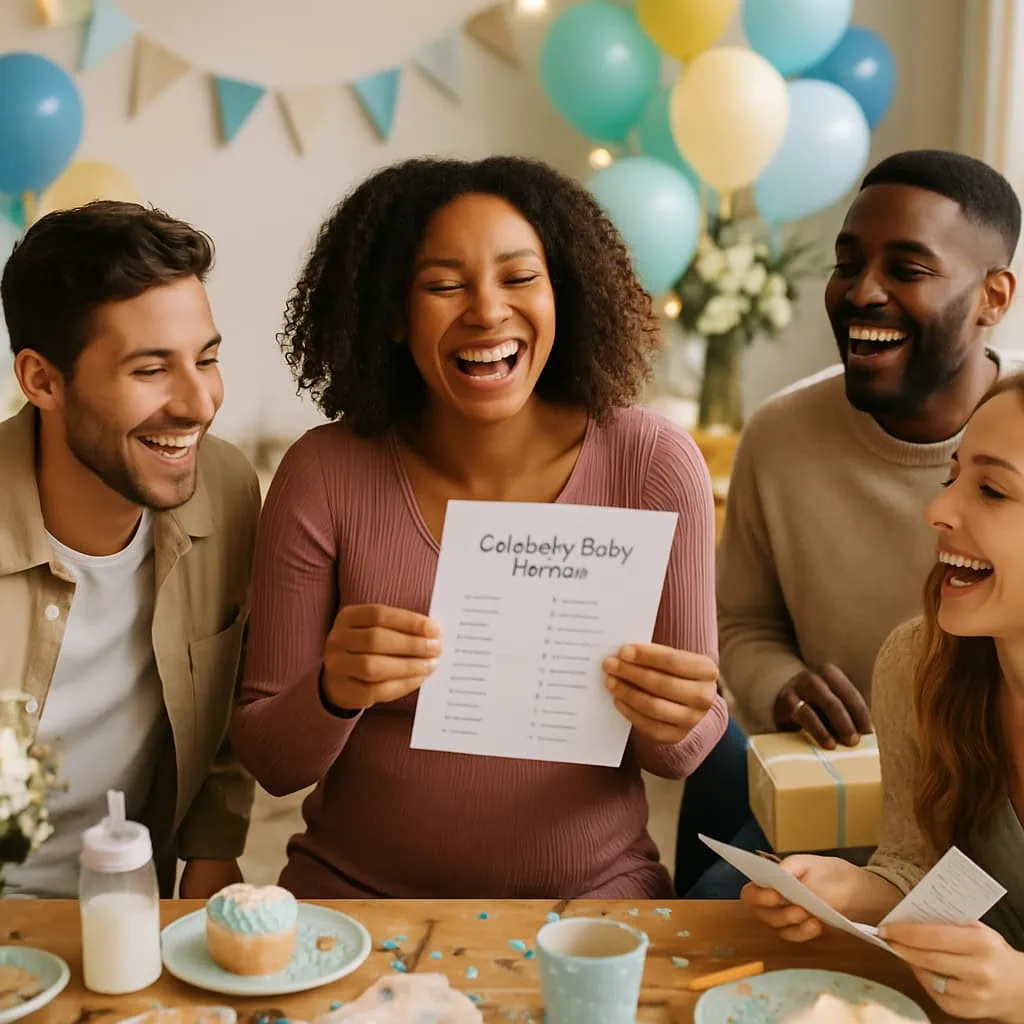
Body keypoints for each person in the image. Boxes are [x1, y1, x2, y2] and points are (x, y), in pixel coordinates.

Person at [232, 156, 728, 899]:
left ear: (566, 293)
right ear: (393, 314)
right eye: (443, 285)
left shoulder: (654, 465)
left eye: (520, 278)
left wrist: (680, 718)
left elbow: (683, 751)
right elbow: (272, 759)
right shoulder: (323, 473)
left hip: (592, 895)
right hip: (353, 894)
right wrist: (333, 689)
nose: (488, 311)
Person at [675, 149, 1024, 897]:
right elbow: (738, 622)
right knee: (719, 897)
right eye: (847, 263)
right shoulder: (780, 434)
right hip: (840, 800)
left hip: (977, 811)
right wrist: (783, 684)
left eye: (908, 269)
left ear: (994, 296)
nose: (862, 292)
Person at [742, 372, 1024, 1022]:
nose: (938, 510)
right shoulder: (917, 664)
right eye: (953, 477)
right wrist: (851, 890)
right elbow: (916, 865)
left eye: (991, 489)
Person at [0, 201, 259, 899]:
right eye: (151, 370)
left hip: (133, 910)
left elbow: (234, 692)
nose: (200, 402)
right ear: (42, 380)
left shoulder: (228, 489)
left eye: (207, 358)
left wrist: (211, 851)